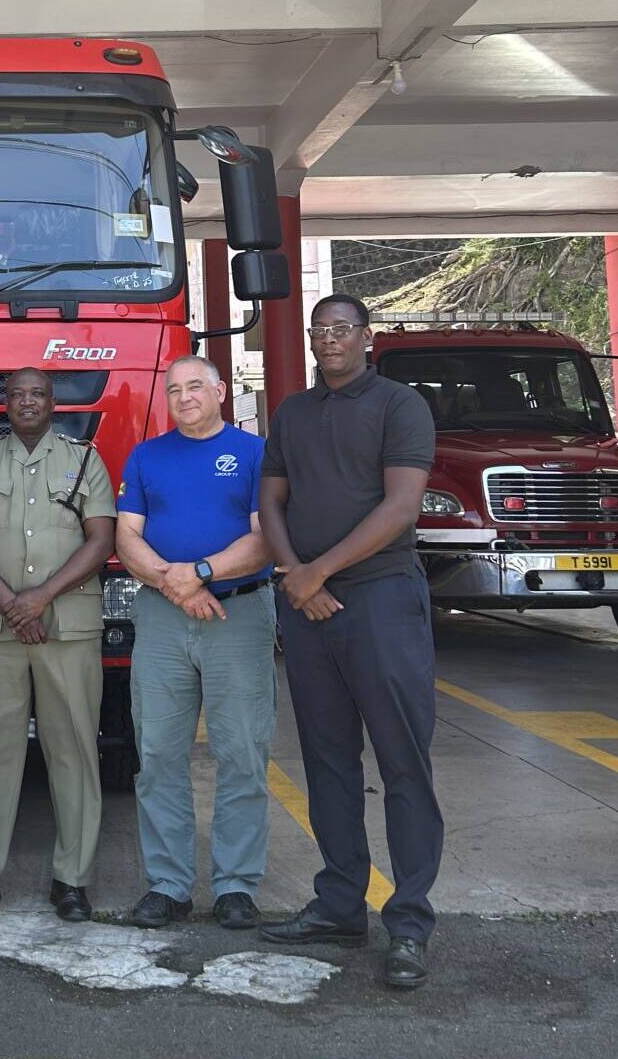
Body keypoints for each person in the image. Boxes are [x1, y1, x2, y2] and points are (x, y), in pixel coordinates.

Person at [257, 293, 441, 992]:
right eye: (318, 331)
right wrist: (296, 580)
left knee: (402, 761)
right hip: (308, 609)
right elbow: (271, 500)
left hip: (382, 599)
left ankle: (410, 923)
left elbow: (401, 506)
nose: (328, 341)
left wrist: (317, 570)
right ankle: (339, 904)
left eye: (340, 330)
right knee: (328, 760)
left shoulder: (399, 405)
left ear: (366, 336)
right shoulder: (293, 412)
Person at [115, 354, 274, 931]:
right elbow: (125, 534)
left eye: (194, 387)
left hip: (239, 616)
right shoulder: (147, 455)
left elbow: (265, 539)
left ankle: (235, 885)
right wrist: (174, 583)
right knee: (157, 753)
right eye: (174, 389)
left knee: (242, 753)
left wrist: (200, 572)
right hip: (162, 618)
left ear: (221, 391)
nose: (183, 397)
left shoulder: (255, 453)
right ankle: (168, 884)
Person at [0, 368, 116, 921]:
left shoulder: (85, 459)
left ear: (53, 403)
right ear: (6, 403)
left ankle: (72, 880)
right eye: (18, 394)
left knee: (73, 747)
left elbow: (102, 539)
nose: (27, 402)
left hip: (66, 626)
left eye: (37, 394)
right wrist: (12, 604)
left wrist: (40, 596)